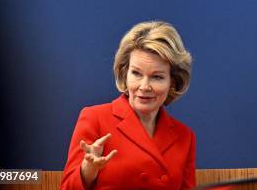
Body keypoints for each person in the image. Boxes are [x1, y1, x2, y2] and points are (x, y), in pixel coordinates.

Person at [60, 21, 196, 190]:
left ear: (172, 82)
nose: (144, 86)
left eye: (157, 77)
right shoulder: (95, 118)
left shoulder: (184, 137)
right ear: (125, 74)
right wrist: (87, 171)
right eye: (136, 73)